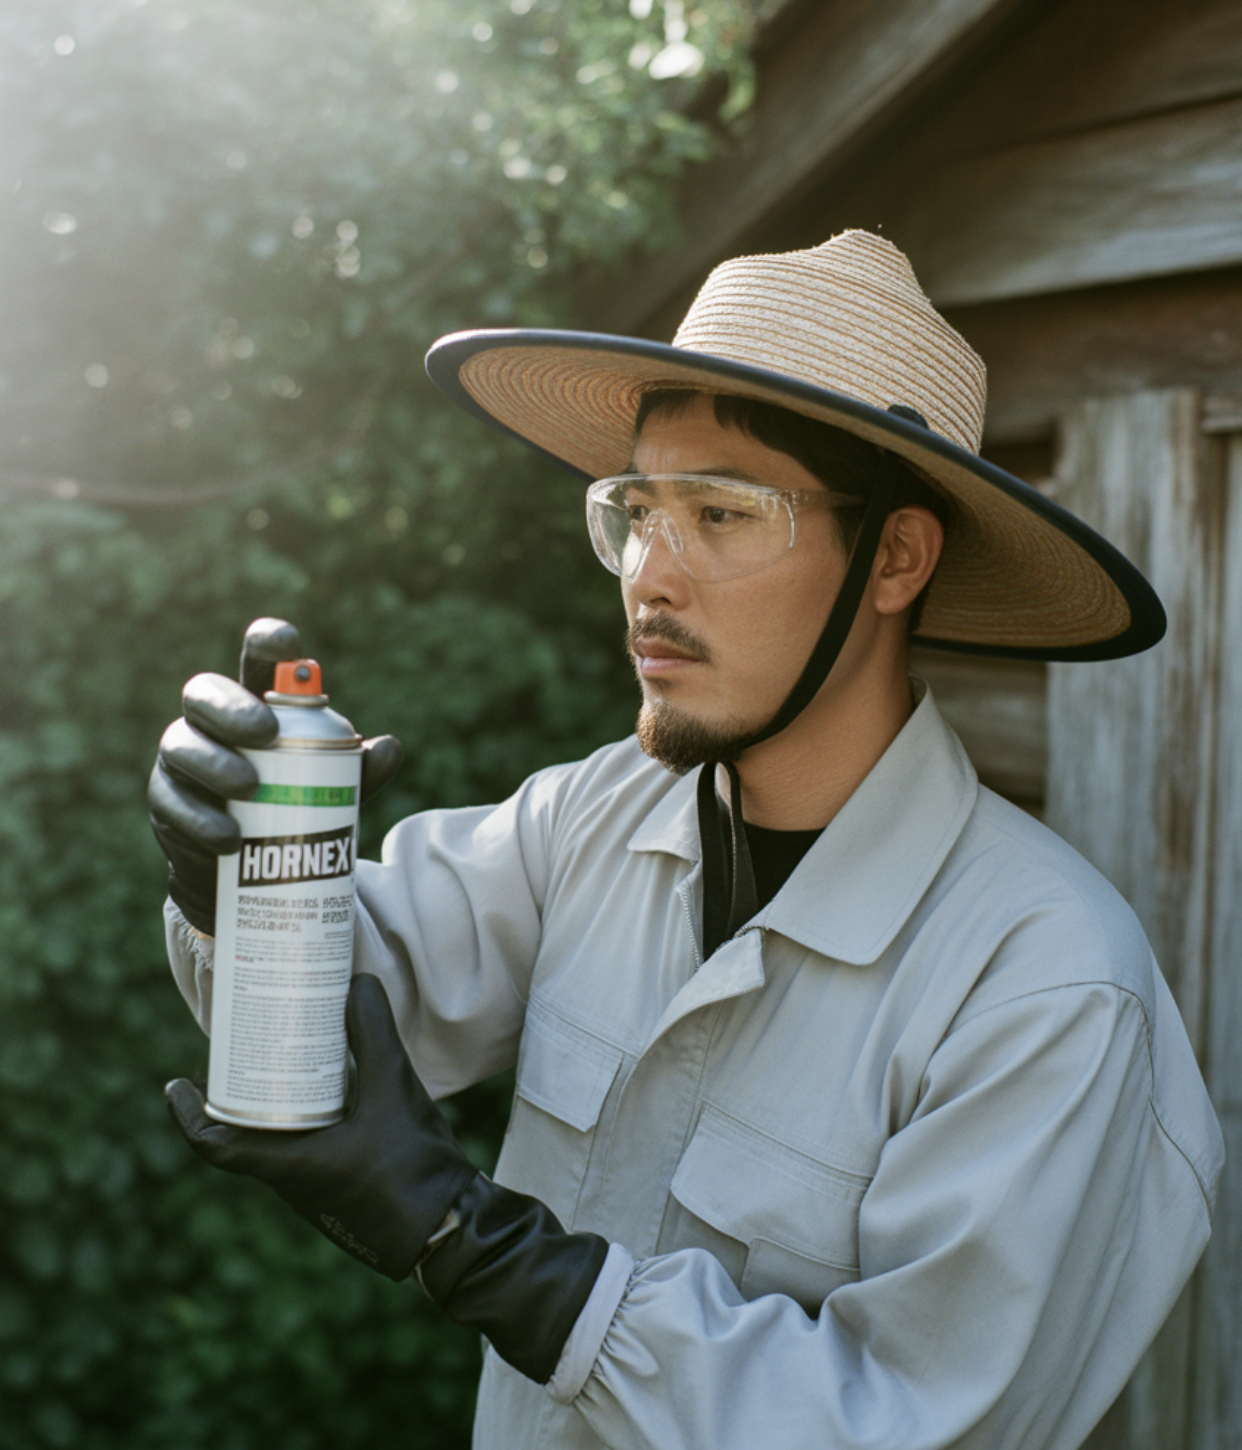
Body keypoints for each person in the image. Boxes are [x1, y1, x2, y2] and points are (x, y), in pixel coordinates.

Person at [151, 231, 1223, 1450]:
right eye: (637, 509)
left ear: (898, 558)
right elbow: (356, 995)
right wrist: (233, 882)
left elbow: (916, 1425)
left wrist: (484, 1248)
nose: (651, 577)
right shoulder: (595, 817)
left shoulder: (1048, 984)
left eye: (721, 512)